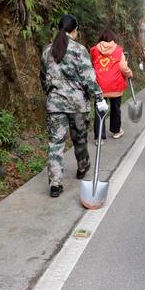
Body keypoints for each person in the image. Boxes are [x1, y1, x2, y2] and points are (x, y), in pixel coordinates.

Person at [40, 14, 108, 198]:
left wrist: (53, 93)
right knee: (79, 139)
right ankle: (82, 166)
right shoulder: (79, 50)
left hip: (55, 105)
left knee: (55, 143)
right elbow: (88, 78)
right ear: (74, 30)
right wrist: (99, 98)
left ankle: (55, 184)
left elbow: (43, 77)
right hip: (78, 104)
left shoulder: (47, 50)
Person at [90, 29, 133, 142]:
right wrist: (129, 74)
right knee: (115, 109)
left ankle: (99, 137)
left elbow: (91, 66)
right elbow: (123, 67)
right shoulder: (118, 50)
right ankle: (116, 131)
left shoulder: (94, 50)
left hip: (99, 85)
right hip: (115, 85)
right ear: (113, 39)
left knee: (100, 111)